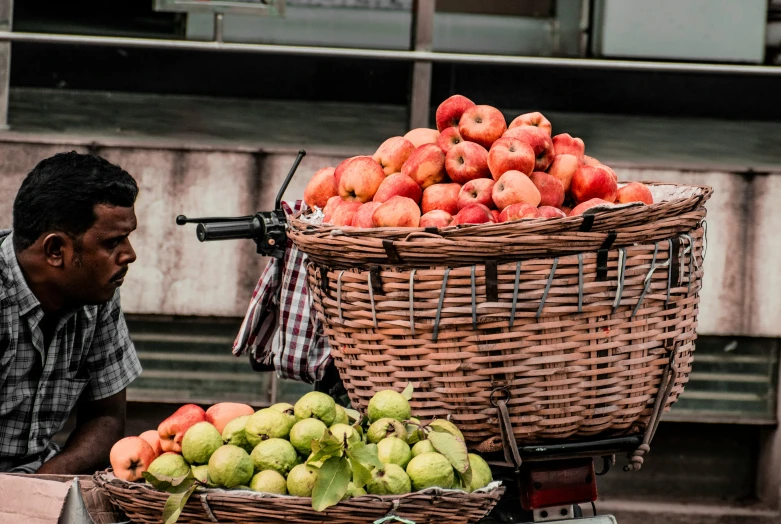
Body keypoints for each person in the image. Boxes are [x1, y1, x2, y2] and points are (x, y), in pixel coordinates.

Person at [0, 151, 142, 474]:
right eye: (113, 243)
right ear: (55, 250)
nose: (130, 255)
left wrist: (38, 492)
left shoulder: (98, 295)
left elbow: (107, 418)